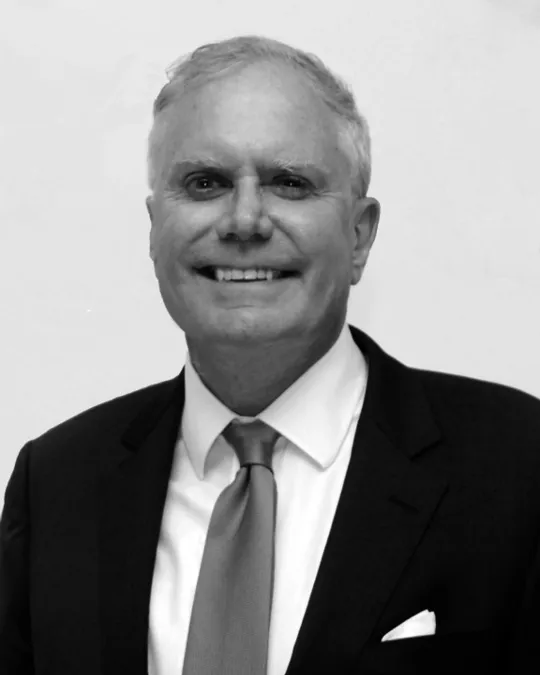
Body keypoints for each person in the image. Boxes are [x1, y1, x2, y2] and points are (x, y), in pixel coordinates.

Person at [1, 34, 540, 675]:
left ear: (360, 237)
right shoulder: (58, 483)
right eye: (205, 183)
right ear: (153, 230)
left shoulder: (518, 466)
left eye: (289, 183)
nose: (245, 219)